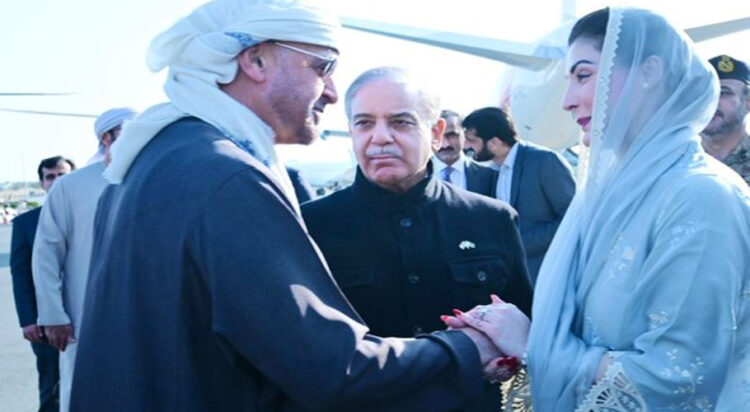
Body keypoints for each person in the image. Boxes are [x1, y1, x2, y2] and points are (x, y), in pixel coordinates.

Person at [70, 1, 503, 410]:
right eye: (322, 68)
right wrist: (469, 347)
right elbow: (335, 369)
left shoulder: (157, 158)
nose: (333, 93)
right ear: (255, 61)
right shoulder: (225, 177)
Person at [445, 7, 750, 410]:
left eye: (584, 75)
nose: (568, 101)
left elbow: (677, 381)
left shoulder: (700, 196)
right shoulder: (613, 192)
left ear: (649, 72)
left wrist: (535, 344)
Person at [301, 67, 533, 412]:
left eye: (400, 122)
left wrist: (506, 360)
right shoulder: (310, 227)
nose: (380, 137)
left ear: (437, 132)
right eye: (364, 123)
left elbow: (523, 329)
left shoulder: (492, 220)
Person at [32, 107, 136, 412]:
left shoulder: (155, 179)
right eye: (130, 130)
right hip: (83, 316)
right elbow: (46, 253)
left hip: (143, 316)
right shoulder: (70, 186)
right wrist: (53, 315)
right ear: (107, 138)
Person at [462, 107, 576, 284]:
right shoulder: (490, 171)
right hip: (508, 279)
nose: (466, 146)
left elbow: (572, 219)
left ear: (495, 142)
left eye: (471, 140)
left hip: (545, 276)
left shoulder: (545, 161)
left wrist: (519, 243)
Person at [10, 155, 75, 412]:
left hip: (88, 315)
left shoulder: (91, 213)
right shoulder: (26, 223)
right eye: (50, 176)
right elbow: (21, 273)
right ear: (42, 183)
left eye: (63, 175)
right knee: (52, 386)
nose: (57, 181)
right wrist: (28, 319)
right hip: (45, 323)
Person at [700, 54, 750, 185]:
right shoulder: (675, 157)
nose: (711, 101)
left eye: (723, 93)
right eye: (706, 93)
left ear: (748, 102)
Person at [433, 109, 498, 198]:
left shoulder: (489, 176)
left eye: (452, 135)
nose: (445, 144)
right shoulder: (416, 176)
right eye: (438, 136)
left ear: (465, 134)